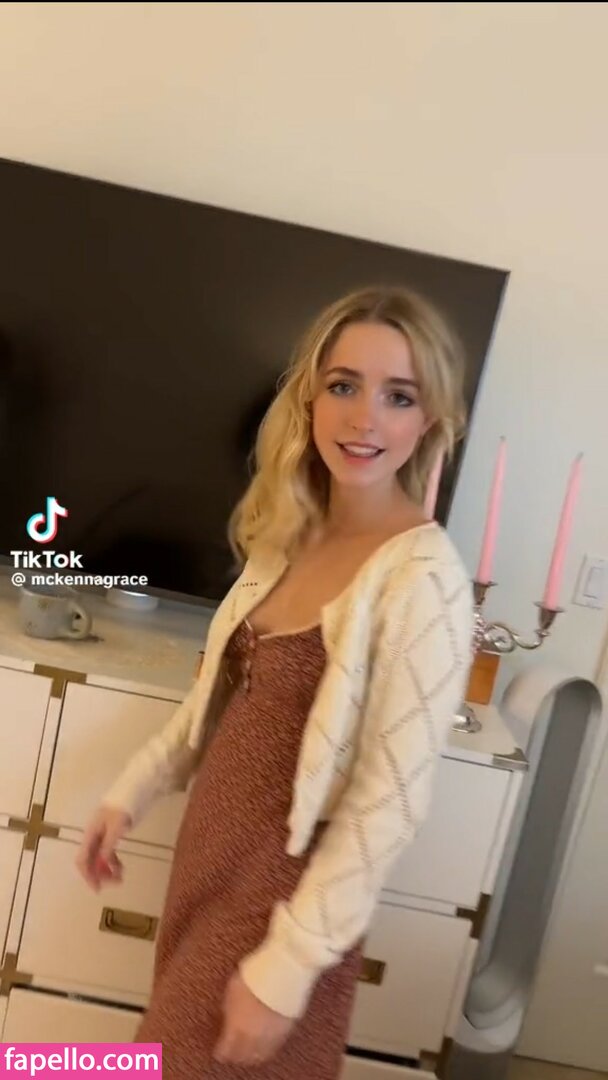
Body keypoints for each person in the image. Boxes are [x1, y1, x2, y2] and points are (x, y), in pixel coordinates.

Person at [76, 285, 474, 1079]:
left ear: (429, 419)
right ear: (310, 396)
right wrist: (132, 791)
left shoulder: (424, 579)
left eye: (398, 396)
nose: (364, 418)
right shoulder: (287, 536)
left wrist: (289, 965)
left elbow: (388, 807)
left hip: (284, 901)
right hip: (208, 861)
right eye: (344, 385)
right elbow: (220, 703)